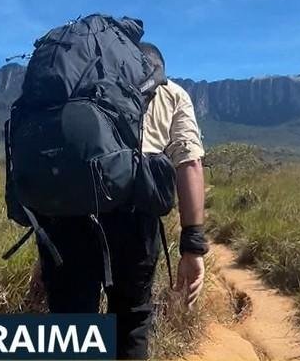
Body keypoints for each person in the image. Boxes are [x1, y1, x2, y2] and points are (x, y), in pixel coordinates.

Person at [34, 42, 207, 360]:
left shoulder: (72, 87)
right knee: (131, 321)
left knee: (70, 326)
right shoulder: (171, 93)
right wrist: (193, 247)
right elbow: (190, 163)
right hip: (133, 219)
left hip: (64, 217)